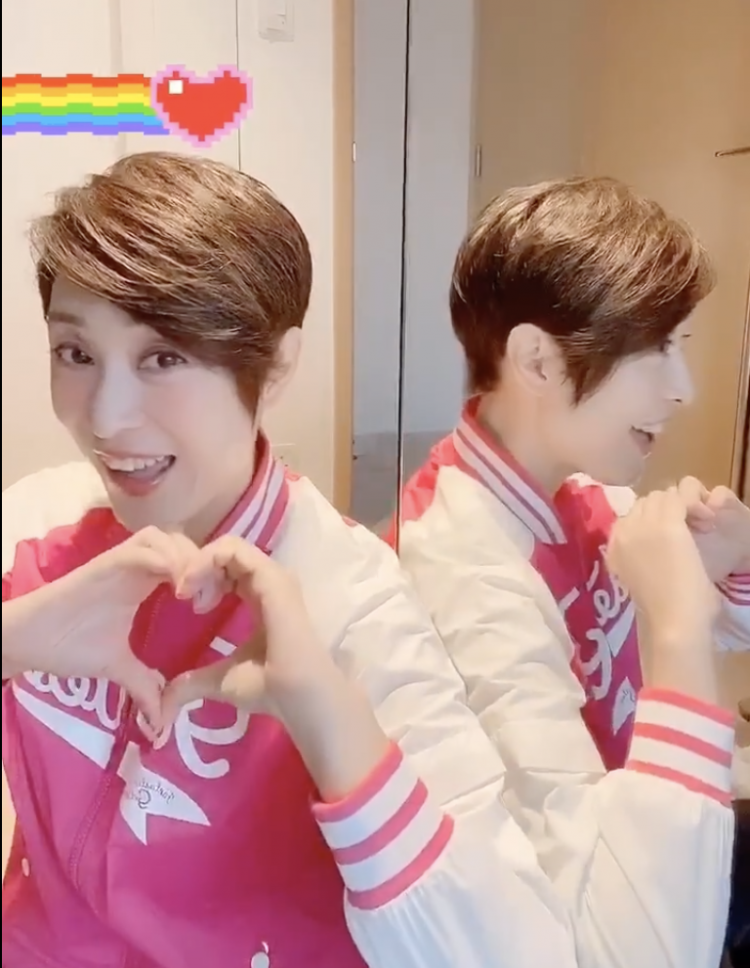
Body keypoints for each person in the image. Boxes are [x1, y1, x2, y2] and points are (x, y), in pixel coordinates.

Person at [0, 151, 588, 968]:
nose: (105, 416)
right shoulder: (37, 523)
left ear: (276, 366)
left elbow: (515, 950)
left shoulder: (353, 602)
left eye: (165, 357)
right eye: (76, 353)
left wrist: (331, 725)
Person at [393, 176, 750, 968]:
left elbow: (727, 629)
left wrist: (734, 566)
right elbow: (624, 944)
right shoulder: (461, 567)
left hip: (660, 842)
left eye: (682, 345)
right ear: (538, 359)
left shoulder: (585, 489)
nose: (684, 389)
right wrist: (678, 627)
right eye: (656, 349)